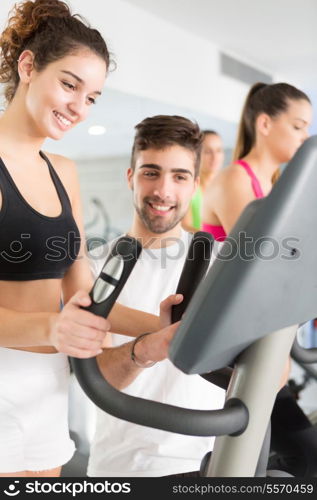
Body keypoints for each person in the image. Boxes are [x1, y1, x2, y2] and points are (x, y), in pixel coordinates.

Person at [0, 0, 175, 478]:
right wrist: (52, 327)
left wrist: (161, 328)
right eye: (70, 84)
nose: (79, 107)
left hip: (49, 384)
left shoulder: (63, 172)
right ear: (29, 66)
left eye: (93, 96)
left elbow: (85, 297)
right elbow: (59, 319)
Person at [87, 115, 225, 477]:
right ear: (131, 177)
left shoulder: (223, 265)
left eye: (179, 176)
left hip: (215, 464)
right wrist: (148, 347)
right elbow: (94, 380)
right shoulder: (93, 269)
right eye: (151, 172)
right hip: (127, 469)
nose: (164, 191)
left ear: (194, 185)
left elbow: (272, 376)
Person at [201, 81, 316, 476]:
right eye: (298, 126)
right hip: (236, 347)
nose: (304, 136)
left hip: (264, 343)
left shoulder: (276, 187)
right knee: (303, 454)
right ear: (265, 124)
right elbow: (260, 270)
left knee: (278, 456)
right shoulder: (236, 180)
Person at [182, 130, 224, 233]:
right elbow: (185, 226)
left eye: (218, 150)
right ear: (196, 155)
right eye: (208, 152)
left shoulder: (228, 188)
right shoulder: (188, 188)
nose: (215, 157)